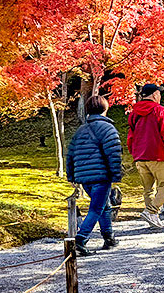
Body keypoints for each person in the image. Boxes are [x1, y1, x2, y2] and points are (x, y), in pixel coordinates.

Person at [67, 95, 123, 255]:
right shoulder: (107, 128)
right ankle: (81, 239)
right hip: (101, 176)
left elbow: (70, 154)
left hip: (85, 177)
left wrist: (71, 176)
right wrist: (115, 175)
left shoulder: (81, 130)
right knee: (96, 208)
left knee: (104, 206)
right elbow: (113, 154)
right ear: (105, 108)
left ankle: (109, 238)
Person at [127, 84, 164, 229]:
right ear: (155, 95)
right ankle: (151, 211)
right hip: (157, 155)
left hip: (140, 157)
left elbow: (130, 137)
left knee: (148, 189)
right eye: (159, 94)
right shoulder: (160, 111)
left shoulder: (134, 113)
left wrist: (134, 153)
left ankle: (152, 219)